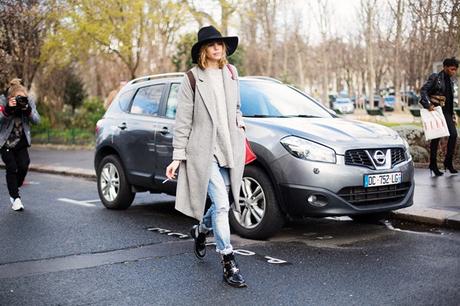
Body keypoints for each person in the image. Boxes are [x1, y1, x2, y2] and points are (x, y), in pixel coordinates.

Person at [165, 25, 247, 288]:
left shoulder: (231, 73)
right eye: (211, 44)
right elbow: (183, 121)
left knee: (227, 200)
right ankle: (228, 260)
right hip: (203, 150)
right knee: (222, 204)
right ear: (203, 49)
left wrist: (240, 126)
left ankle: (200, 230)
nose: (217, 47)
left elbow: (236, 107)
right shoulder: (191, 78)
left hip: (228, 146)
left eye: (220, 43)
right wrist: (177, 157)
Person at [0, 78, 40, 210]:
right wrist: (7, 109)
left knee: (24, 165)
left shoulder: (28, 102)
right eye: (18, 99)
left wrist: (27, 109)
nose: (20, 101)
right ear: (11, 97)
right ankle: (15, 198)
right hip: (5, 143)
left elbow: (37, 120)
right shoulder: (3, 100)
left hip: (21, 143)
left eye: (23, 98)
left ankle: (14, 187)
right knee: (12, 167)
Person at [420, 57, 458, 176]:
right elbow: (423, 90)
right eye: (452, 69)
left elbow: (450, 99)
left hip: (446, 113)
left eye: (455, 70)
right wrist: (428, 104)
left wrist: (452, 115)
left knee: (454, 135)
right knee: (435, 138)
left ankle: (447, 162)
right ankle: (433, 164)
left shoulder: (451, 82)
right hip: (436, 111)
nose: (454, 72)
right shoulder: (435, 77)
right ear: (445, 67)